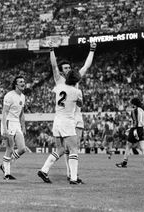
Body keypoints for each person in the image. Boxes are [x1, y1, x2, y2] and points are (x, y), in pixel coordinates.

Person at [48, 41, 96, 181]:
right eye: (66, 68)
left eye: (69, 67)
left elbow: (87, 65)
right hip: (66, 118)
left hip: (77, 117)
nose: (69, 69)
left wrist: (92, 50)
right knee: (67, 148)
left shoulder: (76, 78)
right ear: (62, 71)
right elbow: (54, 65)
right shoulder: (59, 80)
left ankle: (72, 174)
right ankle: (71, 174)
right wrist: (51, 50)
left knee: (75, 146)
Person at [37, 70, 83, 184]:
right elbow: (80, 104)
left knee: (61, 149)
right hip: (67, 121)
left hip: (57, 120)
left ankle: (44, 170)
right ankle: (73, 178)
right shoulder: (77, 91)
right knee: (73, 149)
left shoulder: (59, 87)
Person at [0, 76, 26, 180]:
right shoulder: (9, 96)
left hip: (16, 123)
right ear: (16, 85)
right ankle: (7, 174)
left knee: (22, 149)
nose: (23, 83)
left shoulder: (23, 96)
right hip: (8, 122)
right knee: (9, 149)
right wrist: (5, 128)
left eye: (24, 81)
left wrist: (23, 126)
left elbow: (22, 113)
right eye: (20, 82)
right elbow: (4, 113)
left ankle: (5, 166)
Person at [116, 98, 144, 168]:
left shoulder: (133, 111)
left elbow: (135, 122)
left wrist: (130, 130)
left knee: (128, 146)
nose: (131, 104)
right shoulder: (142, 111)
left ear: (134, 103)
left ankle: (124, 163)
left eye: (132, 103)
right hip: (141, 129)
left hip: (135, 129)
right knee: (142, 147)